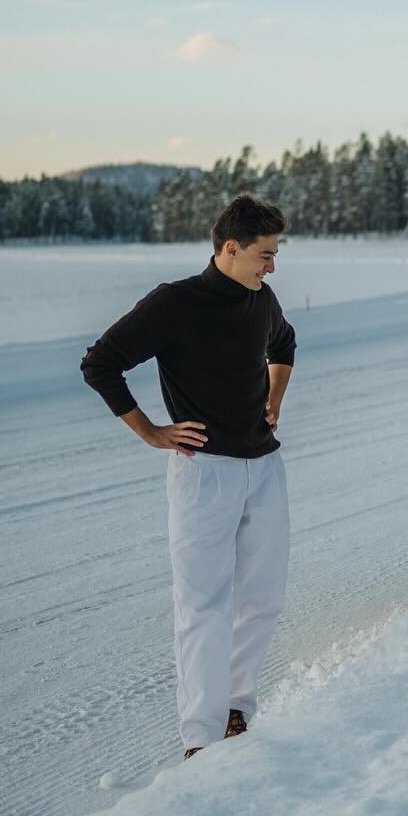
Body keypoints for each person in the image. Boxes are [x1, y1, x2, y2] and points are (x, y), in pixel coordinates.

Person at [81, 194, 296, 759]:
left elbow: (284, 342)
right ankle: (200, 740)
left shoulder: (261, 299)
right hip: (204, 475)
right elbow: (100, 364)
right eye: (265, 254)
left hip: (264, 469)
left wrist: (275, 396)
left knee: (264, 599)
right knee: (203, 606)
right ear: (230, 248)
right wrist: (150, 431)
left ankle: (234, 711)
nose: (272, 266)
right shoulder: (174, 304)